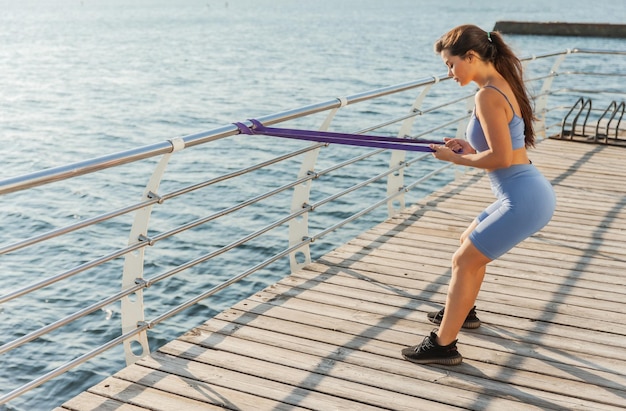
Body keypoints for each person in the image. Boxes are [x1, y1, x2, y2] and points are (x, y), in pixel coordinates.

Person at [401, 25, 556, 365]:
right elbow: (508, 150)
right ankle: (463, 310)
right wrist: (469, 148)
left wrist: (455, 158)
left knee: (464, 260)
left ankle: (443, 345)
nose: (448, 72)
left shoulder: (487, 95)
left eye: (450, 63)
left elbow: (500, 159)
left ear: (471, 57)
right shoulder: (499, 83)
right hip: (524, 188)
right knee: (467, 243)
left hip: (524, 197)